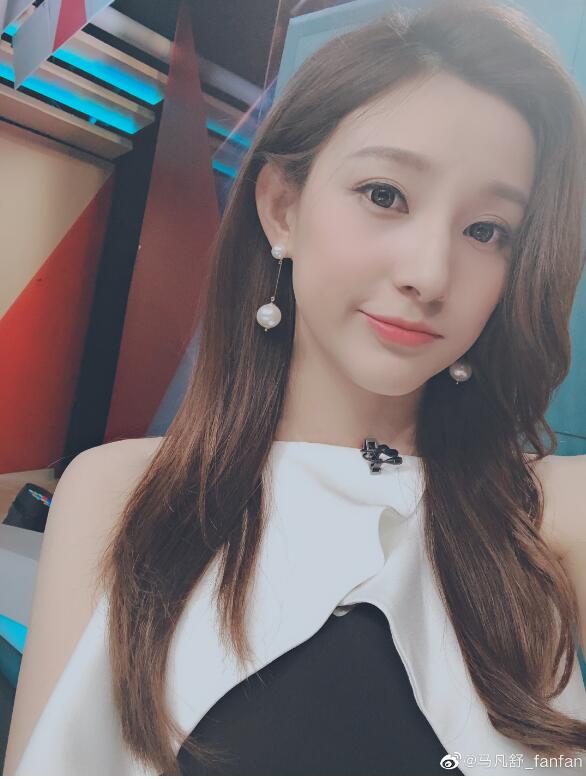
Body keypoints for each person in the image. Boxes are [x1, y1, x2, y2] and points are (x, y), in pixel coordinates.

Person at [4, 0, 586, 775]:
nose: (430, 273)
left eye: (487, 231)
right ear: (282, 207)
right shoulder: (122, 494)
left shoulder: (546, 515)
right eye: (385, 194)